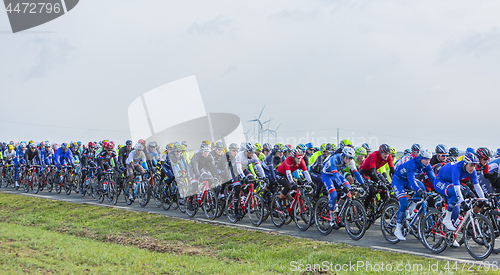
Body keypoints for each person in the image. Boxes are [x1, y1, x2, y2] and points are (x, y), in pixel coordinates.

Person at [434, 152, 485, 240]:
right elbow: (457, 189)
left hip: (450, 183)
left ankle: (451, 237)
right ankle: (446, 218)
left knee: (456, 210)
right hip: (440, 181)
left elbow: (477, 186)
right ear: (465, 163)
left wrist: (483, 199)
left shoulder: (472, 170)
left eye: (475, 165)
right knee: (455, 193)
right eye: (471, 165)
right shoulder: (456, 168)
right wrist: (462, 202)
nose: (473, 168)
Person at [392, 149, 434, 241]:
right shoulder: (412, 163)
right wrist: (417, 190)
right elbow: (412, 180)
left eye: (429, 160)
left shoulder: (427, 165)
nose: (427, 162)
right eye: (425, 159)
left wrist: (439, 190)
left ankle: (411, 210)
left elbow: (433, 179)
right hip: (398, 181)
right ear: (420, 158)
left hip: (407, 181)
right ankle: (398, 229)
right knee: (404, 203)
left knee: (422, 187)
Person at [321, 147, 360, 229]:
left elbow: (356, 173)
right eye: (348, 158)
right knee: (334, 194)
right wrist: (342, 186)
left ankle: (337, 209)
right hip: (327, 175)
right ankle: (332, 220)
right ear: (343, 155)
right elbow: (334, 175)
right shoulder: (334, 158)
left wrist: (363, 184)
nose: (349, 160)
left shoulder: (351, 161)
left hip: (338, 174)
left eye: (351, 158)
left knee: (348, 188)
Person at [232, 143, 267, 219]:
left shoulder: (254, 156)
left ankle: (244, 197)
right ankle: (236, 211)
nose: (252, 154)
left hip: (244, 169)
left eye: (253, 152)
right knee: (237, 187)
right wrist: (243, 177)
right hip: (235, 170)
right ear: (246, 151)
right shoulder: (239, 155)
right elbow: (238, 168)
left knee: (252, 179)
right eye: (250, 152)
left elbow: (259, 167)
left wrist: (264, 177)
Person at [359, 144, 395, 210]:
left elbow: (392, 170)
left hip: (375, 171)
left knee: (385, 185)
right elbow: (373, 173)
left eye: (388, 153)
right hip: (365, 171)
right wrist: (379, 182)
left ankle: (380, 203)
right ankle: (364, 209)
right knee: (372, 190)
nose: (387, 155)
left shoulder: (389, 156)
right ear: (380, 153)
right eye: (385, 153)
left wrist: (395, 180)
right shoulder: (374, 155)